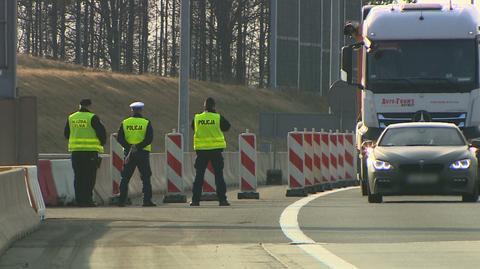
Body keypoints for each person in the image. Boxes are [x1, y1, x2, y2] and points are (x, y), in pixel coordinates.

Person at [64, 99, 106, 207]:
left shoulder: (71, 117)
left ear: (79, 106)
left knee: (78, 177)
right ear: (89, 106)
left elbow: (66, 134)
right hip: (90, 152)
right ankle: (88, 200)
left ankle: (79, 200)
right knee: (89, 177)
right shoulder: (92, 117)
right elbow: (101, 133)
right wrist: (101, 143)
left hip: (76, 152)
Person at [190, 97, 231, 206]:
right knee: (218, 176)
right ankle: (222, 200)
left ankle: (195, 200)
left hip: (201, 151)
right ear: (214, 106)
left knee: (199, 176)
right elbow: (227, 127)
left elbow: (193, 127)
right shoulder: (217, 117)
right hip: (216, 151)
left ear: (204, 106)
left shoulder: (197, 118)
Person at [117, 102, 156, 207]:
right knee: (146, 177)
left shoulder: (125, 123)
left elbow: (119, 138)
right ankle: (147, 201)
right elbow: (149, 138)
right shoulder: (146, 122)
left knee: (125, 177)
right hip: (142, 153)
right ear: (141, 110)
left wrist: (129, 147)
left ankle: (121, 200)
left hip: (129, 154)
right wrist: (138, 146)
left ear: (132, 110)